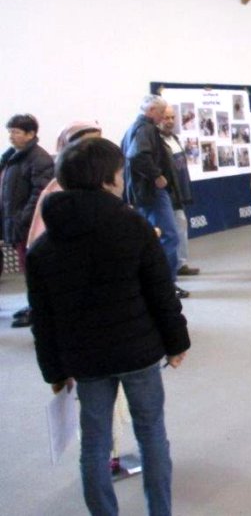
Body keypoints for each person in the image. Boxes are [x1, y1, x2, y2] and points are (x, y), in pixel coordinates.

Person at [26, 136, 190, 515]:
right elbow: (160, 293)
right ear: (105, 180)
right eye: (119, 173)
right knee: (151, 433)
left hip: (86, 361)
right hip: (138, 353)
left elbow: (42, 319)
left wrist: (54, 371)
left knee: (94, 444)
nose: (122, 180)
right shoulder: (133, 226)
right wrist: (176, 342)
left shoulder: (44, 247)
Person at [121, 95, 189, 298]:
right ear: (151, 111)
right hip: (151, 192)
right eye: (161, 113)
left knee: (153, 237)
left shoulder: (132, 129)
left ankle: (153, 283)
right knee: (169, 236)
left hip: (141, 192)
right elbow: (137, 155)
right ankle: (166, 284)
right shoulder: (146, 129)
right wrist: (157, 175)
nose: (163, 117)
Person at [1, 113, 54, 328]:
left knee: (33, 270)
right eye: (10, 132)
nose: (11, 136)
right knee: (26, 268)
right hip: (15, 222)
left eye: (16, 132)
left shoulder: (39, 159)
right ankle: (33, 305)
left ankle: (38, 309)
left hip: (28, 225)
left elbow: (39, 194)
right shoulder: (12, 156)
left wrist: (23, 219)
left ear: (31, 134)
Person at [159, 106, 199, 276]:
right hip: (167, 192)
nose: (170, 121)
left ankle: (181, 264)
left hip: (179, 191)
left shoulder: (174, 139)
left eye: (172, 117)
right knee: (170, 230)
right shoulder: (157, 142)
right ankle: (170, 267)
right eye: (166, 118)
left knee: (181, 225)